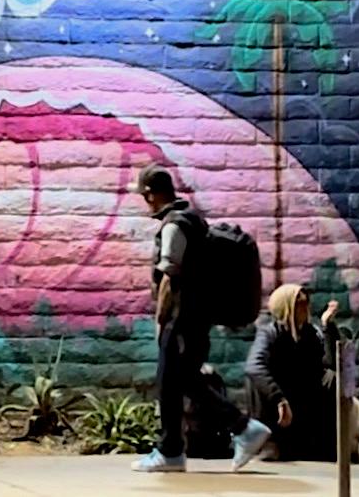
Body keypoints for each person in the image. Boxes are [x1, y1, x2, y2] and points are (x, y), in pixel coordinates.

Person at [130, 164, 272, 473]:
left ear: (153, 194)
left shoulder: (174, 226)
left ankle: (178, 449)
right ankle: (234, 432)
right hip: (197, 319)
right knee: (182, 381)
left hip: (182, 320)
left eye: (145, 196)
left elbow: (169, 278)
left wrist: (160, 321)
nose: (145, 203)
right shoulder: (194, 221)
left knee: (171, 383)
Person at [245, 284, 340, 461]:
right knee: (254, 379)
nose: (305, 307)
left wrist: (327, 326)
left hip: (303, 398)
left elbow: (330, 363)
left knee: (332, 378)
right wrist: (279, 398)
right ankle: (268, 441)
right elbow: (254, 365)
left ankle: (324, 444)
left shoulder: (311, 334)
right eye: (299, 303)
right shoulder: (270, 333)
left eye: (306, 302)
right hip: (279, 400)